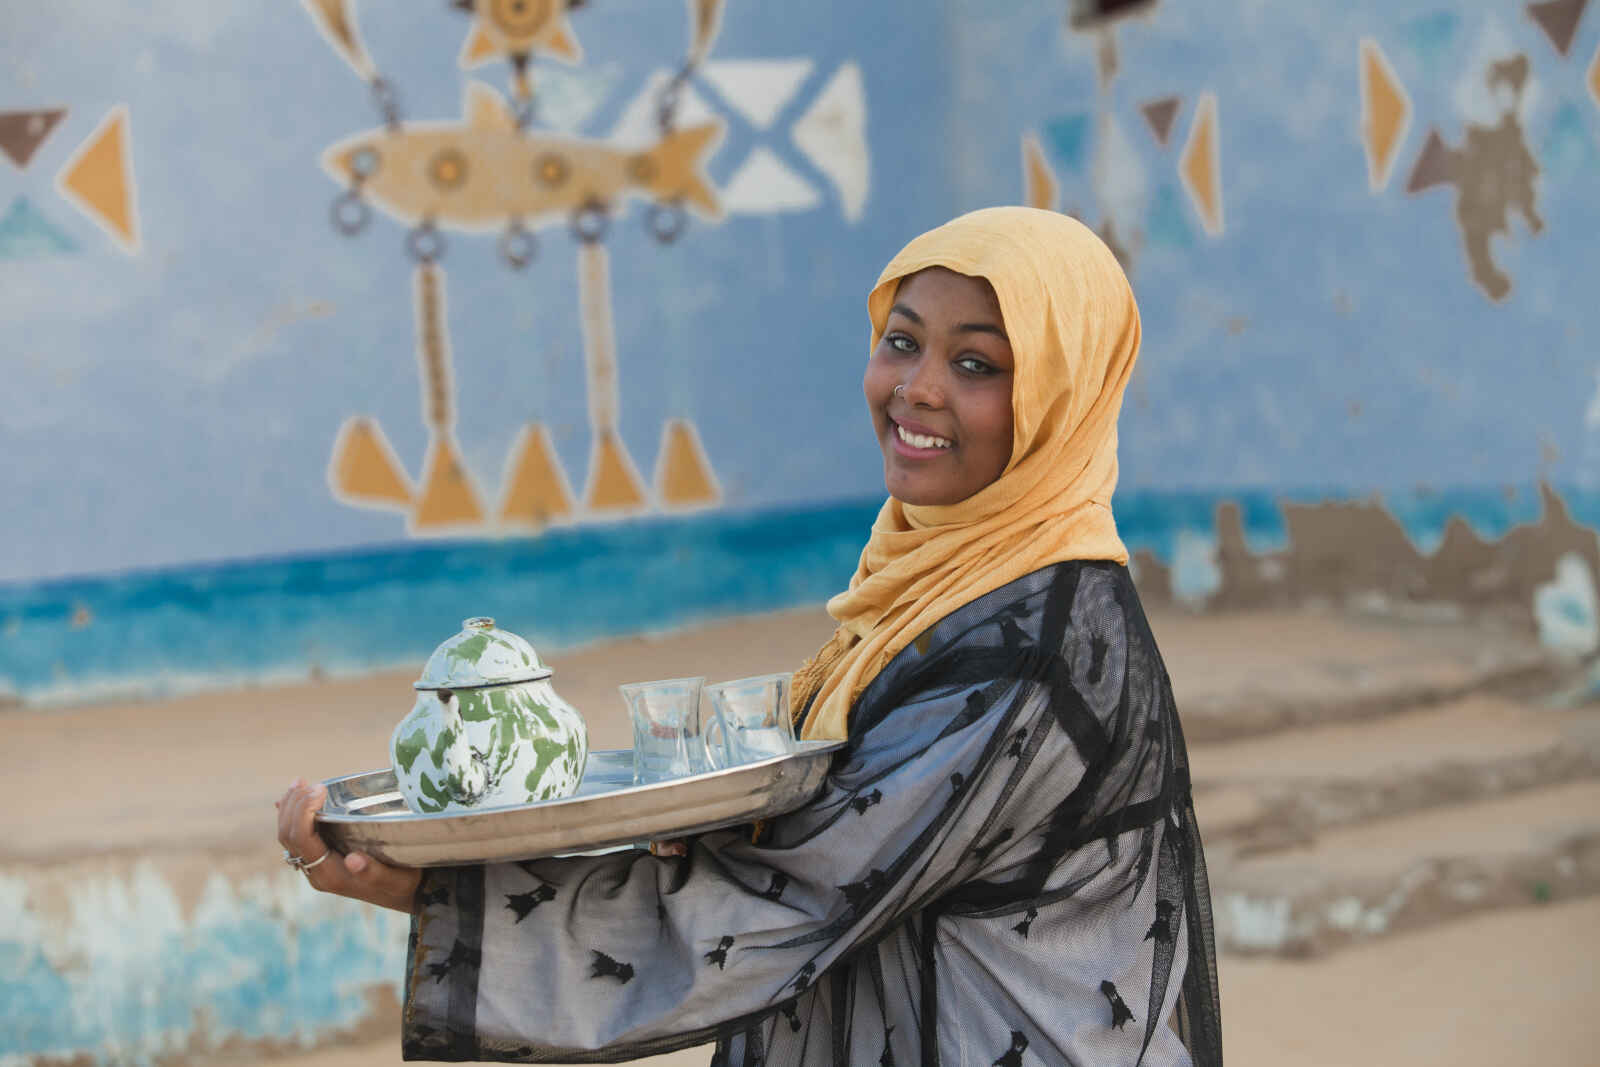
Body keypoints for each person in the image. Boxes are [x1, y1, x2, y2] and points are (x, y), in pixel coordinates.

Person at [277, 206, 1223, 1065]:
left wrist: (435, 894)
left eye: (977, 364)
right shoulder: (939, 585)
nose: (918, 388)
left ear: (1063, 396)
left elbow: (798, 896)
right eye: (901, 342)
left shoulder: (1034, 649)